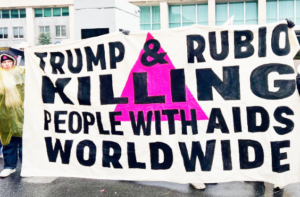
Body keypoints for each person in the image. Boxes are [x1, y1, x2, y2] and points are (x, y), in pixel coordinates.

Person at [0, 51, 25, 177]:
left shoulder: (21, 72)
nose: (6, 64)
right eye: (3, 62)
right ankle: (10, 166)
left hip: (23, 113)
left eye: (9, 61)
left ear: (13, 61)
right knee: (8, 141)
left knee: (24, 141)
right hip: (5, 115)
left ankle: (26, 166)